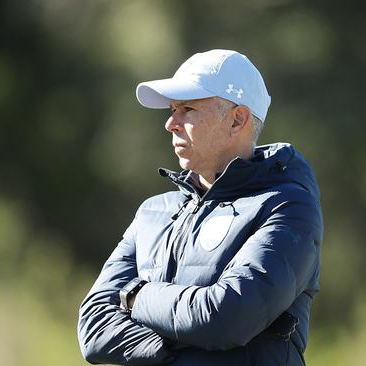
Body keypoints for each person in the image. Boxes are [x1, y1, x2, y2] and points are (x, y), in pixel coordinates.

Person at [77, 49, 323, 366]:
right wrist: (178, 348)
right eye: (172, 110)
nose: (170, 123)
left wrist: (136, 296)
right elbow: (93, 329)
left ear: (238, 120)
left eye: (187, 109)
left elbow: (226, 318)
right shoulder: (153, 212)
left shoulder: (287, 206)